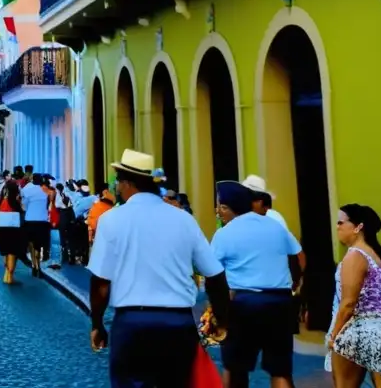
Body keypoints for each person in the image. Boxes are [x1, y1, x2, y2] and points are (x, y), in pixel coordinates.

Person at [88, 150, 230, 388]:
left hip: (131, 323)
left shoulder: (112, 219)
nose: (116, 187)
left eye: (117, 182)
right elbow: (214, 274)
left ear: (127, 183)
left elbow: (101, 281)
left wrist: (97, 323)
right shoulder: (183, 219)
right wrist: (222, 319)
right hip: (177, 324)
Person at [211, 181, 302, 388]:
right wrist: (293, 287)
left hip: (243, 303)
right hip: (280, 301)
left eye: (221, 206)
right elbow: (296, 259)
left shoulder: (225, 233)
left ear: (232, 206)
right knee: (280, 370)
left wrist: (220, 313)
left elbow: (213, 275)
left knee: (235, 368)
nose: (218, 212)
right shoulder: (274, 226)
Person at [326, 204, 381, 386]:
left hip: (358, 330)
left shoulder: (355, 255)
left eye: (341, 222)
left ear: (358, 227)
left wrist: (334, 335)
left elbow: (349, 303)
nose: (337, 227)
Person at [22, 173, 51, 278]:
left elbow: (24, 206)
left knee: (31, 244)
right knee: (39, 245)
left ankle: (34, 265)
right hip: (42, 221)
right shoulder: (45, 191)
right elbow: (48, 205)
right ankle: (38, 266)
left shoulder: (27, 190)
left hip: (30, 220)